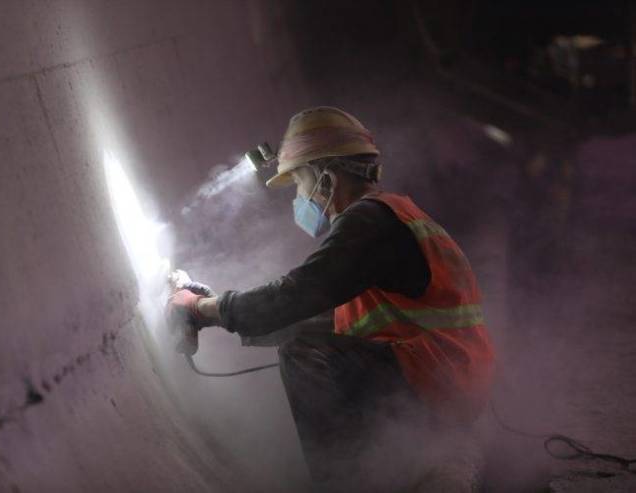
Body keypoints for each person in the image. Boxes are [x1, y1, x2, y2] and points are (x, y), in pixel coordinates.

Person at [168, 107, 495, 488]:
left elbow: (297, 294)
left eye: (299, 184)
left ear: (325, 178)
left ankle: (344, 483)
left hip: (438, 382)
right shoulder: (392, 217)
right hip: (450, 378)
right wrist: (216, 309)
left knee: (302, 353)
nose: (299, 197)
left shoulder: (368, 221)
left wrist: (203, 309)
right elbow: (321, 316)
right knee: (307, 338)